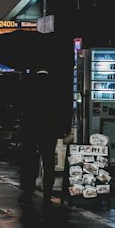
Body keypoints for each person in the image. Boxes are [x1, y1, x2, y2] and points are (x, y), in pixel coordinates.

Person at [18, 68, 66, 203]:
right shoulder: (56, 85)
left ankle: (27, 190)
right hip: (49, 130)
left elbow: (21, 106)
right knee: (49, 162)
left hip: (31, 129)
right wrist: (62, 128)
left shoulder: (28, 83)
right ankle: (47, 193)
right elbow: (63, 108)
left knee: (29, 161)